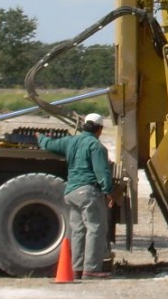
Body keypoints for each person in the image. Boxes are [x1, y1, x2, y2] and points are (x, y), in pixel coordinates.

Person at [36, 113, 114, 278]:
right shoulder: (96, 146)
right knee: (96, 229)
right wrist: (108, 191)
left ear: (84, 125)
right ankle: (91, 269)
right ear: (99, 129)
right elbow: (102, 171)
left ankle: (76, 268)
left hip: (71, 192)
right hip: (88, 192)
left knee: (78, 231)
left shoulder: (69, 141)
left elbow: (49, 144)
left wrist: (40, 137)